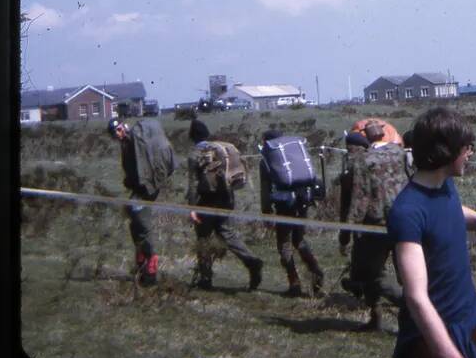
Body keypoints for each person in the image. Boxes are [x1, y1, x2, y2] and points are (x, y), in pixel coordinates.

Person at [387, 107, 476, 358]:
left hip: (470, 322)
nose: (470, 154)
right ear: (446, 152)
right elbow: (416, 298)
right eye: (466, 147)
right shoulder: (406, 211)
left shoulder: (444, 185)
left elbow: (449, 211)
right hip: (430, 339)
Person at [339, 120, 408, 330]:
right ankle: (407, 320)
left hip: (375, 223)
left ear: (366, 137)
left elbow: (360, 197)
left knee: (372, 273)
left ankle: (403, 310)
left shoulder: (362, 160)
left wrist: (348, 230)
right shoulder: (399, 153)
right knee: (405, 272)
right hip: (404, 218)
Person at [186, 119, 263, 291]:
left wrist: (191, 208)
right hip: (226, 198)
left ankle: (205, 278)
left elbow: (192, 184)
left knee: (203, 239)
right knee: (229, 235)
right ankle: (251, 261)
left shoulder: (195, 154)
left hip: (205, 201)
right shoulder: (220, 149)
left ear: (192, 137)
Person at [108, 116, 175, 286]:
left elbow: (147, 163)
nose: (118, 134)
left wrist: (146, 182)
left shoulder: (137, 140)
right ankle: (141, 262)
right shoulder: (127, 144)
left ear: (124, 126)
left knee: (143, 224)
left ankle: (151, 269)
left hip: (148, 187)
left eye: (119, 129)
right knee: (135, 223)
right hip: (139, 188)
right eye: (115, 133)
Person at [259, 127, 325, 298]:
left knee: (284, 242)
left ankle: (294, 282)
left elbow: (265, 189)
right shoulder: (295, 150)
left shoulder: (267, 158)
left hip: (284, 203)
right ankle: (315, 270)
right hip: (303, 198)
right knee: (299, 238)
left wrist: (266, 211)